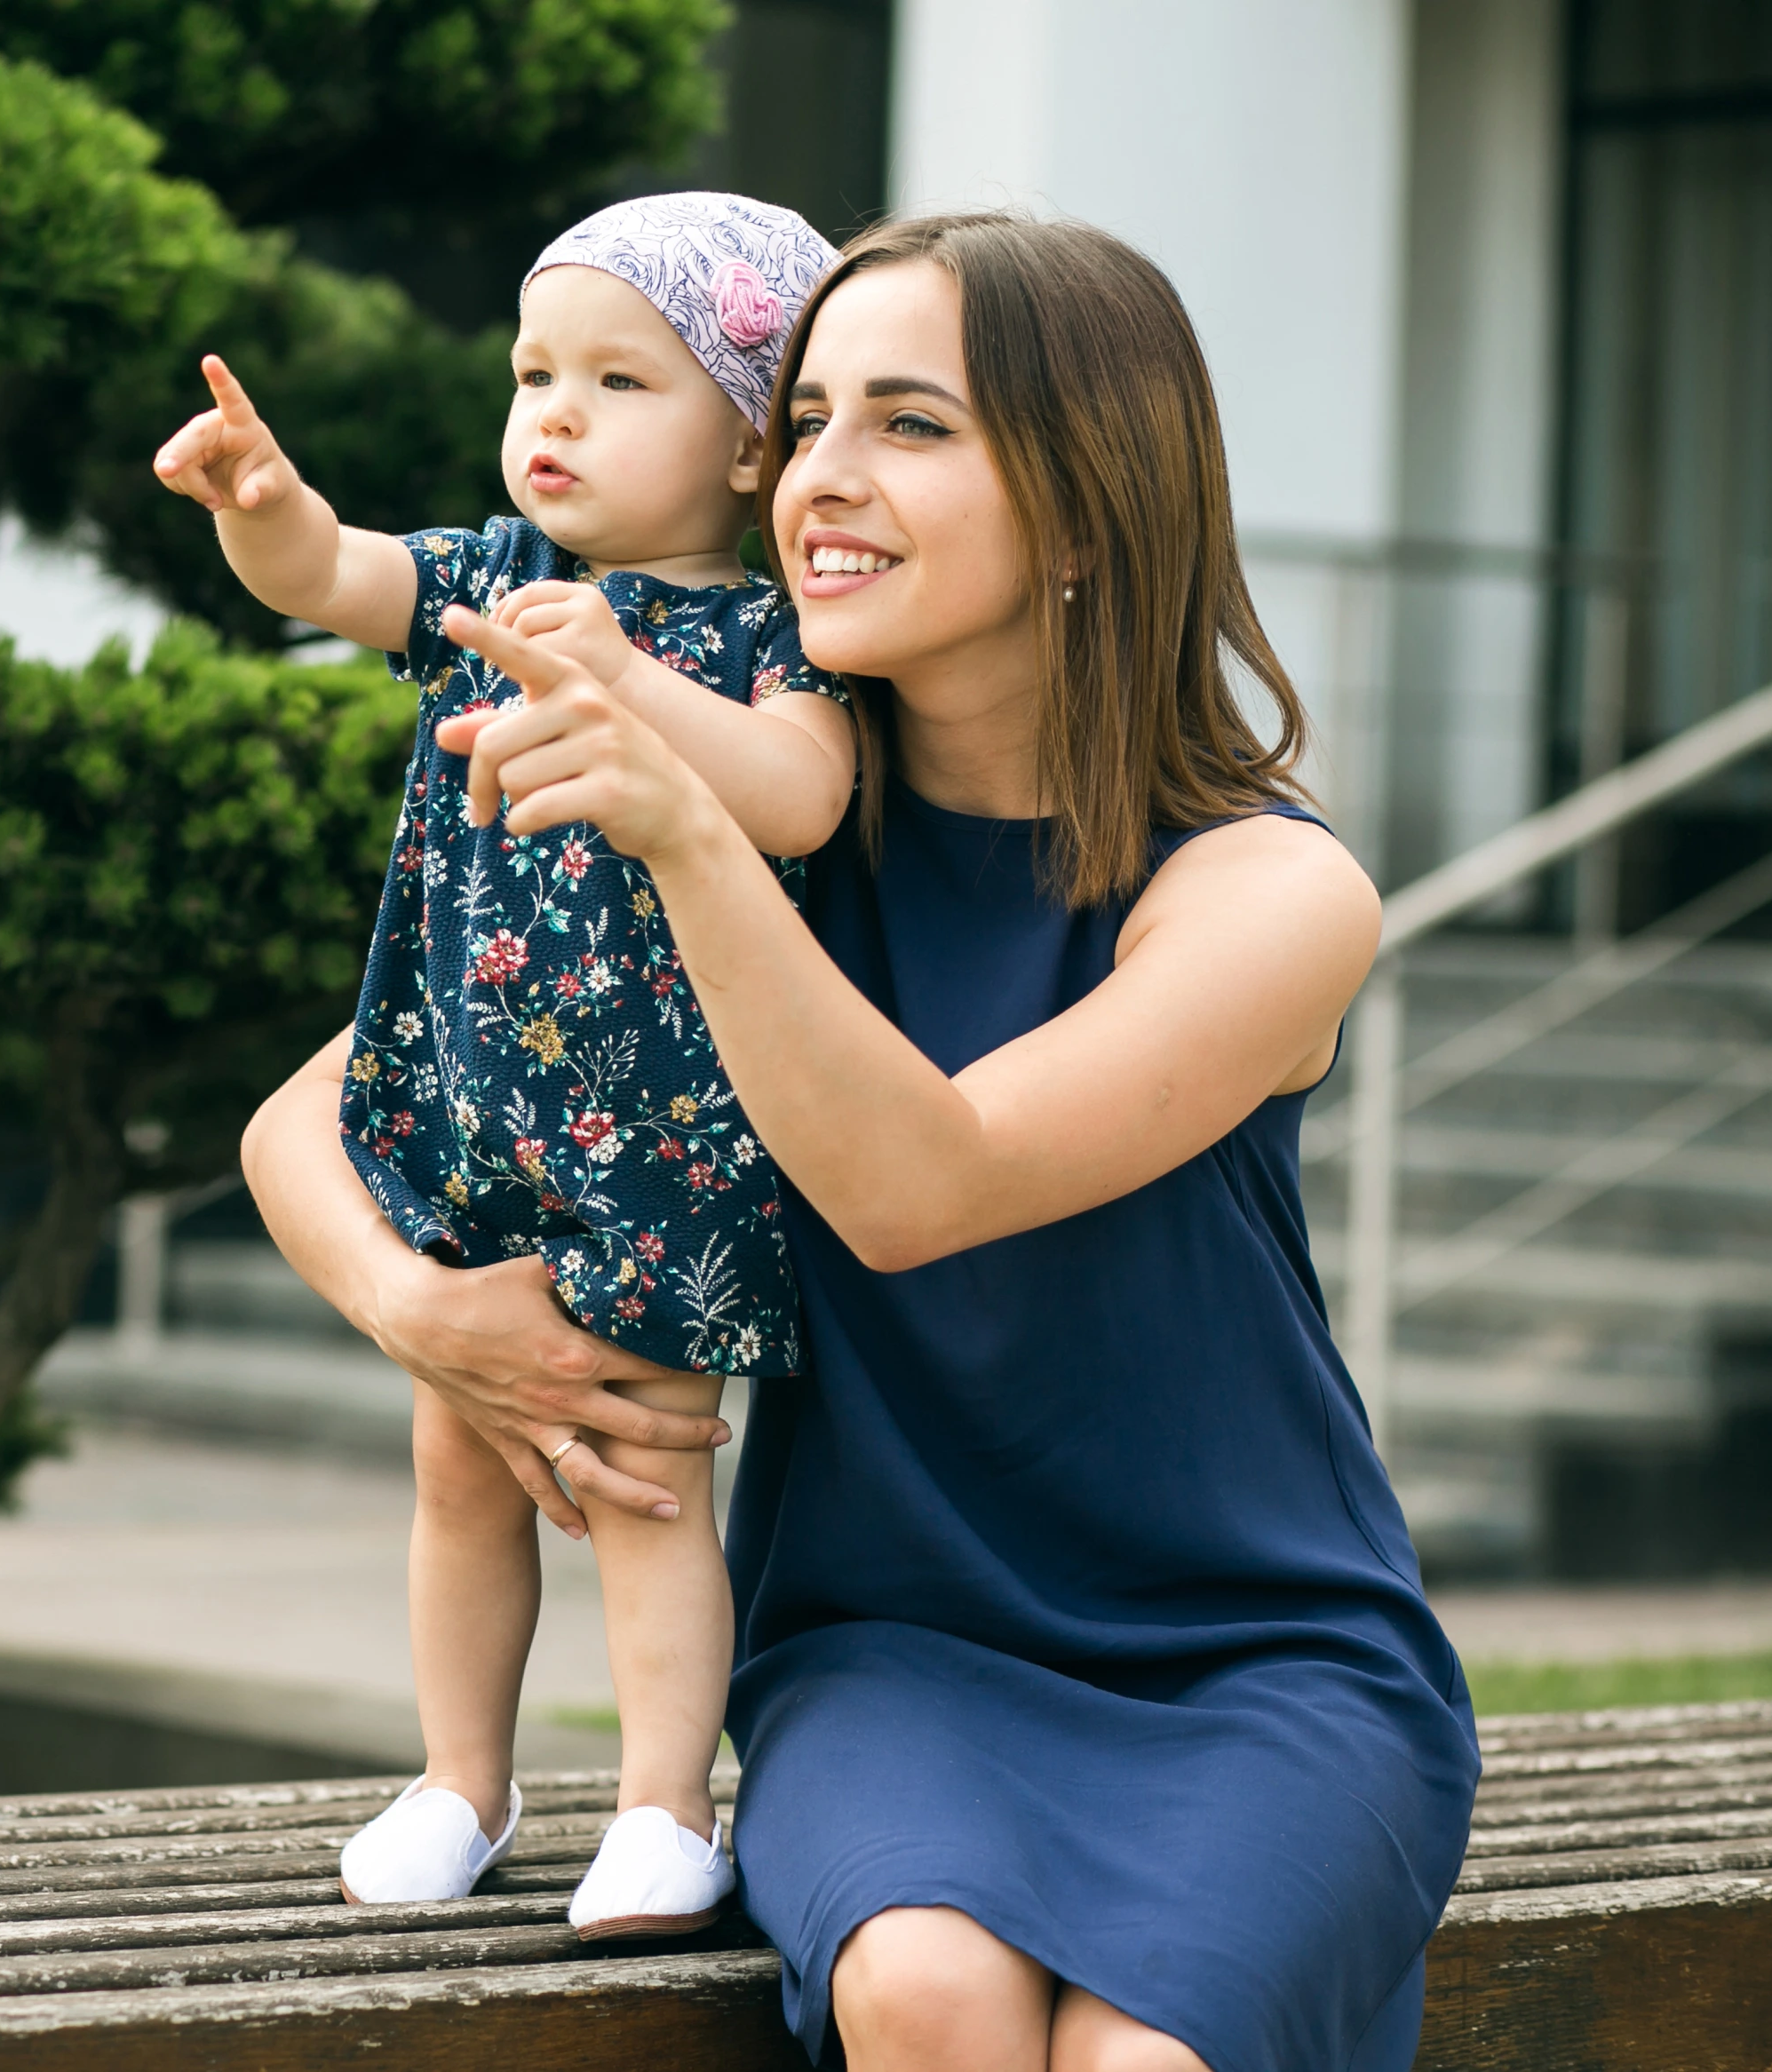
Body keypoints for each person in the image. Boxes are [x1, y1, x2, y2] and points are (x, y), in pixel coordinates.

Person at [241, 212, 1481, 2071]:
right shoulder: (761, 822)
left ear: (1083, 508)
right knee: (919, 1992)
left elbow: (924, 1184)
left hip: (1260, 1658)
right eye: (804, 415)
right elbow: (299, 1119)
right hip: (886, 1652)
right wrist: (437, 1315)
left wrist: (687, 838)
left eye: (910, 425)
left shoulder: (1263, 888)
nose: (819, 474)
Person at [154, 192, 851, 1936]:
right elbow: (333, 577)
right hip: (468, 1120)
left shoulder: (769, 639)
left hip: (665, 1152)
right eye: (537, 370)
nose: (553, 410)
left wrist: (627, 679)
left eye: (621, 380)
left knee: (641, 1475)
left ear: (754, 441)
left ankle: (662, 1804)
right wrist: (268, 509)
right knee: (458, 1467)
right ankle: (462, 1777)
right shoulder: (487, 579)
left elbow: (800, 794)